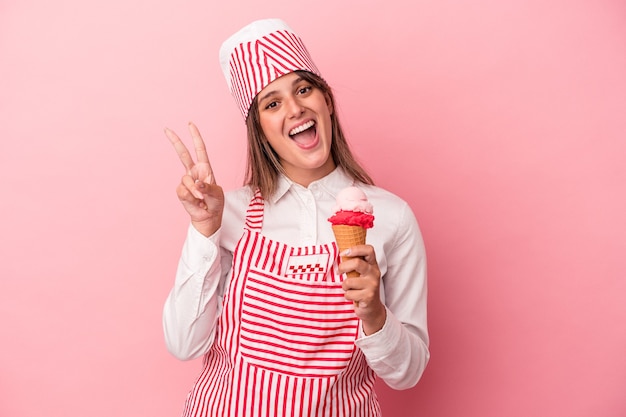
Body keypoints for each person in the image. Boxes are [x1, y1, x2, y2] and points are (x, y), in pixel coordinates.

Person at [162, 18, 429, 417]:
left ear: (327, 101)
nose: (295, 108)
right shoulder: (227, 212)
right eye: (272, 103)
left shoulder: (392, 217)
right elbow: (183, 344)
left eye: (304, 89)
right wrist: (204, 231)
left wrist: (374, 312)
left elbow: (407, 373)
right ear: (260, 130)